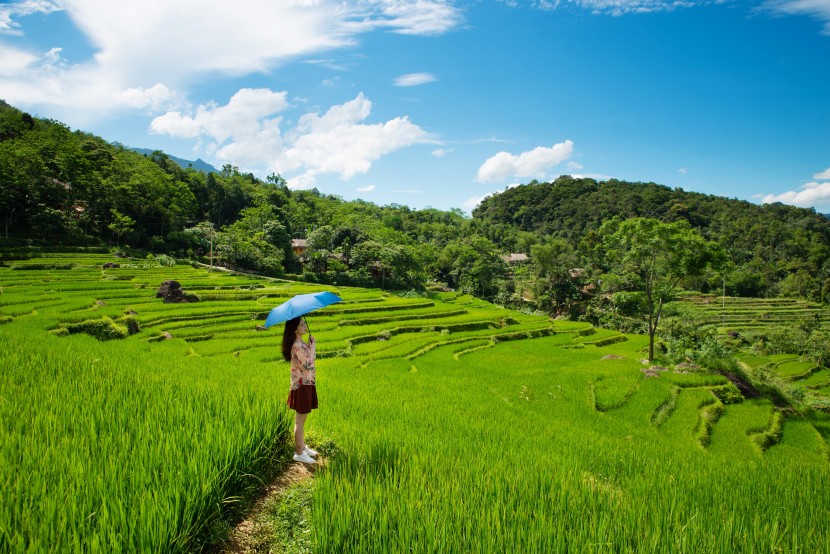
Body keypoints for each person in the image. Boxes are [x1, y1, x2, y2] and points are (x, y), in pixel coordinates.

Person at [282, 316, 319, 464]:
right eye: (301, 324)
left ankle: (302, 447)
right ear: (295, 329)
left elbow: (311, 359)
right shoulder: (297, 346)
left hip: (307, 383)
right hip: (302, 385)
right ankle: (298, 452)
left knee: (303, 419)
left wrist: (311, 346)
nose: (304, 326)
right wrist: (313, 349)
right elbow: (306, 366)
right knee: (299, 420)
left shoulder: (301, 344)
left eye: (304, 323)